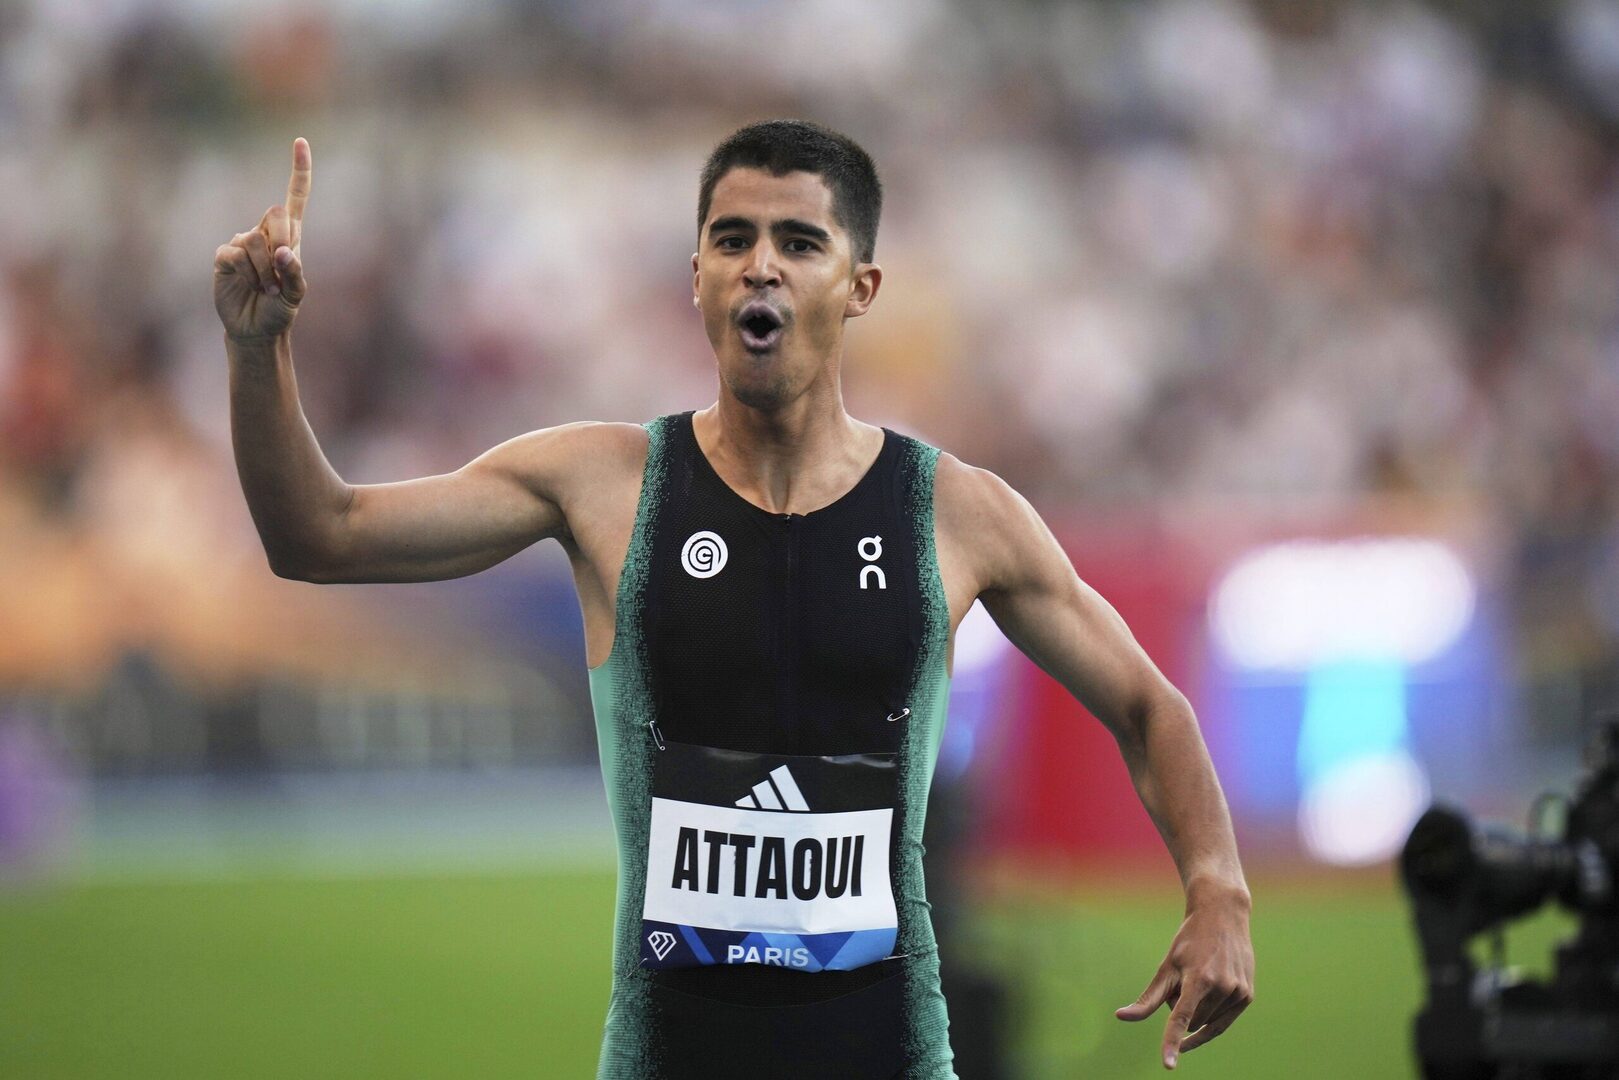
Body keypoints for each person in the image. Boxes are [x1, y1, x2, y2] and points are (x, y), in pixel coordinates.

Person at [213, 119, 1254, 1079]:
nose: (760, 263)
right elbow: (320, 535)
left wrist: (1217, 888)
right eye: (732, 238)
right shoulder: (602, 486)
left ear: (859, 285)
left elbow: (1146, 704)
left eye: (798, 242)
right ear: (698, 277)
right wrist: (258, 350)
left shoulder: (955, 514)